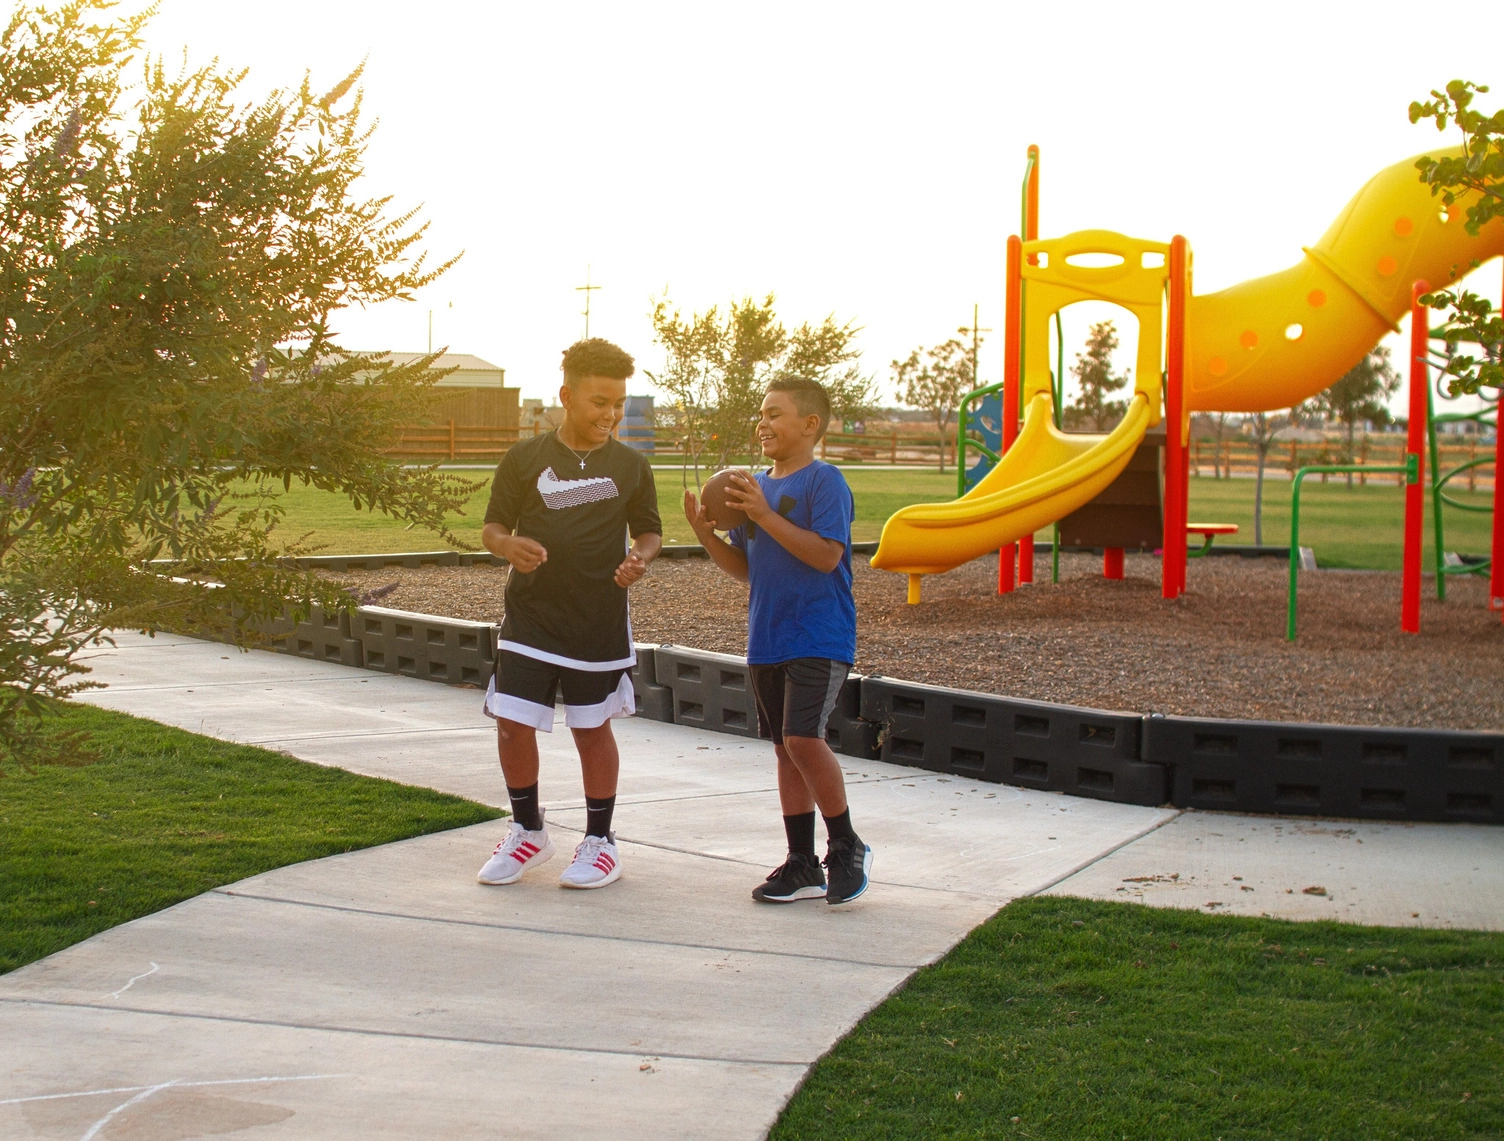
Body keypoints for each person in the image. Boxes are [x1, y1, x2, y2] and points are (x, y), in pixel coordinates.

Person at [476, 338, 661, 890]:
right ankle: (528, 830)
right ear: (566, 396)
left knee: (590, 728)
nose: (609, 415)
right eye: (598, 402)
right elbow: (491, 528)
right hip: (530, 617)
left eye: (618, 404)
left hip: (596, 622)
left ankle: (601, 842)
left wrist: (639, 558)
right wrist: (508, 547)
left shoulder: (630, 465)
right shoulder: (525, 458)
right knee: (512, 725)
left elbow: (649, 530)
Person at [684, 377, 871, 905]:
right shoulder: (752, 488)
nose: (762, 423)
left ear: (810, 425)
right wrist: (705, 534)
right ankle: (801, 863)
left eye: (775, 414)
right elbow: (745, 569)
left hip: (819, 633)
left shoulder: (824, 482)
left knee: (803, 740)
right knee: (785, 751)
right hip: (767, 637)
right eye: (760, 415)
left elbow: (827, 556)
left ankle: (847, 845)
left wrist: (764, 512)